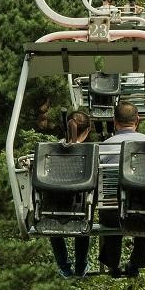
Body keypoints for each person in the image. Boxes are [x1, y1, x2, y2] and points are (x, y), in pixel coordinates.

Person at [99, 101, 145, 278]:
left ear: (115, 122)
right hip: (144, 212)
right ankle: (137, 262)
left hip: (112, 212)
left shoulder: (104, 146)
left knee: (111, 210)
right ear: (137, 120)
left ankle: (112, 263)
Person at [49, 111, 93, 277]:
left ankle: (64, 266)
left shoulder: (49, 151)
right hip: (79, 206)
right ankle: (81, 265)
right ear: (87, 130)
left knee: (51, 218)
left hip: (52, 206)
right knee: (85, 214)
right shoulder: (89, 153)